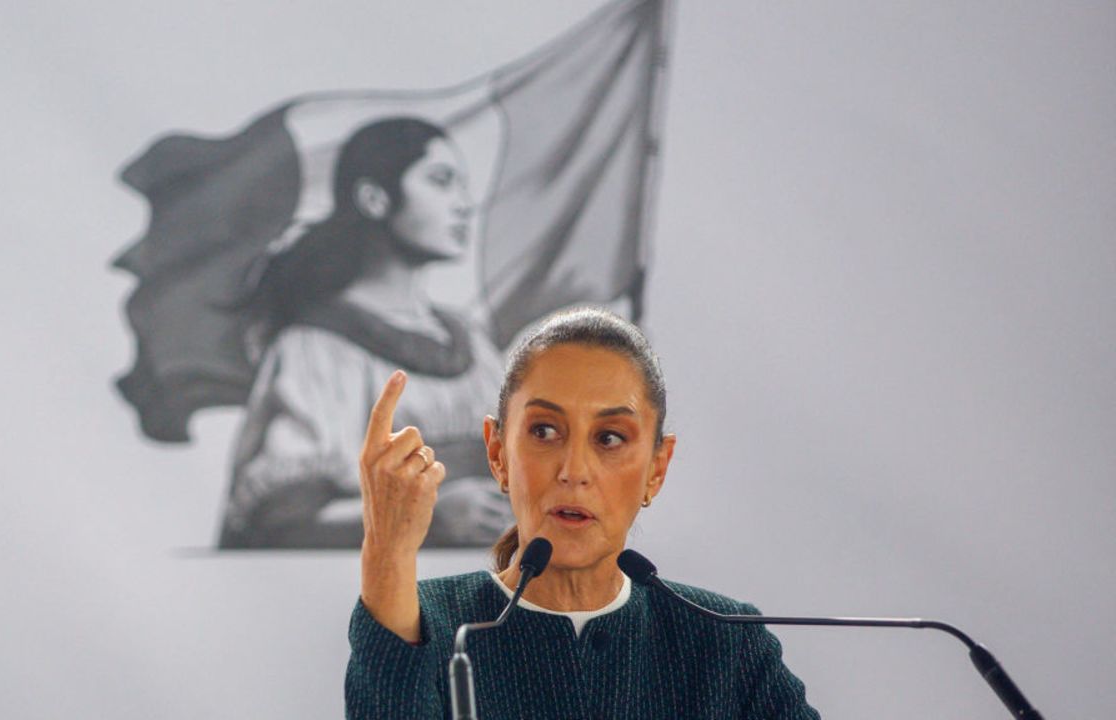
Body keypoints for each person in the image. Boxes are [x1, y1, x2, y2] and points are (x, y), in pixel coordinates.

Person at [345, 308, 820, 718]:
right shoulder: (432, 626)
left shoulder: (724, 641)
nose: (574, 471)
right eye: (545, 431)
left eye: (609, 438)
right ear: (497, 453)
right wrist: (387, 547)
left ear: (657, 468)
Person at [218, 117, 514, 548]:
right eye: (441, 181)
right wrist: (427, 517)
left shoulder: (473, 343)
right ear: (374, 199)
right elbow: (281, 519)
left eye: (462, 186)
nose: (464, 204)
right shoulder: (316, 350)